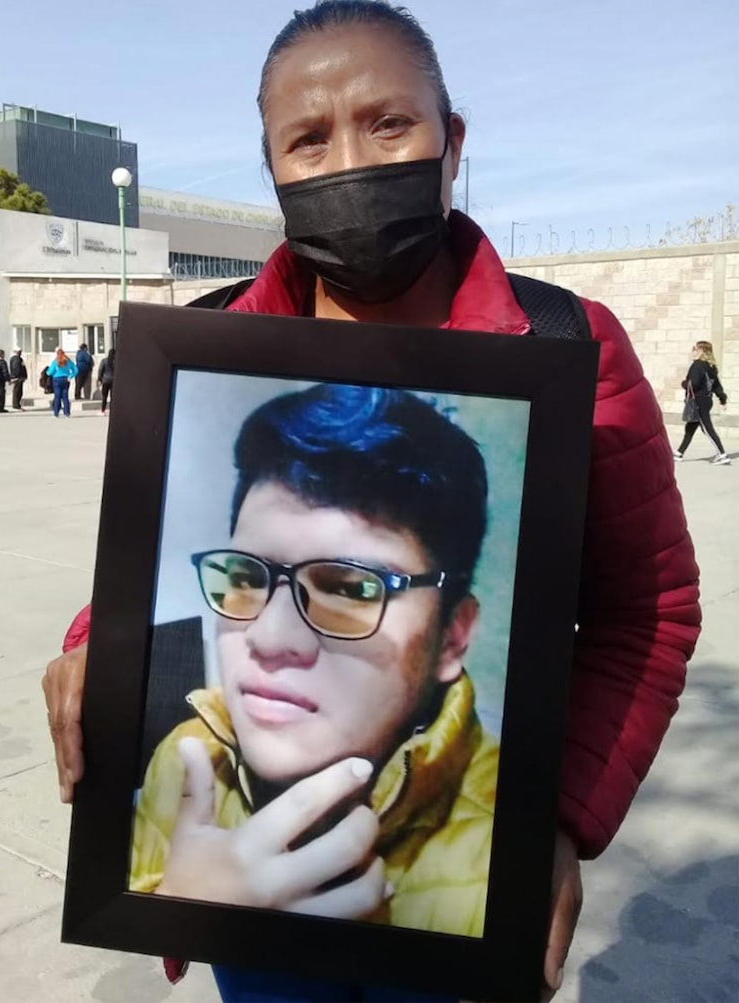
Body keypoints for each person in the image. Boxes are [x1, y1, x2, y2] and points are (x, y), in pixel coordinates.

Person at [43, 2, 701, 1000]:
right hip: (254, 928)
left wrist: (551, 822)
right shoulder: (203, 348)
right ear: (270, 168)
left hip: (462, 927)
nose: (348, 162)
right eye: (307, 139)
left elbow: (644, 612)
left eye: (387, 123)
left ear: (452, 142)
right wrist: (100, 643)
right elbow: (139, 559)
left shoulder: (569, 345)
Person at [132, 384, 496, 943]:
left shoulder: (506, 842)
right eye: (247, 576)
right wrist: (180, 915)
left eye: (350, 590)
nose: (270, 637)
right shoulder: (186, 762)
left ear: (452, 637)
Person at [673, 341, 730, 465]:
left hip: (698, 401)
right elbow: (717, 386)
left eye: (695, 349)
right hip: (706, 400)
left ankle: (722, 454)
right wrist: (722, 399)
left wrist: (684, 383)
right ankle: (679, 453)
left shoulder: (697, 365)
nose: (693, 351)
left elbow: (693, 384)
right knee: (690, 427)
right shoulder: (711, 367)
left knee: (707, 428)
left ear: (702, 351)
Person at [45, 348, 78, 418]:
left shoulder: (55, 362)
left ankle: (56, 413)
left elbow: (50, 372)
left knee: (57, 397)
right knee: (65, 397)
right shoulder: (68, 361)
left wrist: (47, 372)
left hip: (56, 380)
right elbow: (76, 370)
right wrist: (71, 376)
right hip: (66, 379)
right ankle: (67, 413)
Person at [97, 349, 115, 415]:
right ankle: (112, 410)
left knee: (104, 397)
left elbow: (100, 370)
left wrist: (99, 379)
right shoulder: (117, 361)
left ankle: (103, 410)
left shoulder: (104, 361)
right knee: (113, 397)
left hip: (105, 381)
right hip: (114, 381)